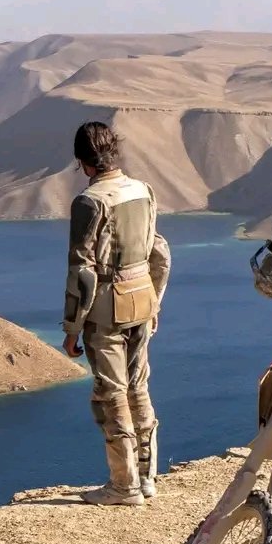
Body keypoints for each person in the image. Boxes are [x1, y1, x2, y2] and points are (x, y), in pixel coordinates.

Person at [62, 122, 171, 506]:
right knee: (139, 385)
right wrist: (155, 301)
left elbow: (82, 270)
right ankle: (147, 478)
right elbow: (159, 251)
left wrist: (72, 328)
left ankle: (123, 487)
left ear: (82, 162)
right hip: (142, 297)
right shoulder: (144, 191)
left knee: (112, 393)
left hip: (107, 308)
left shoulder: (90, 202)